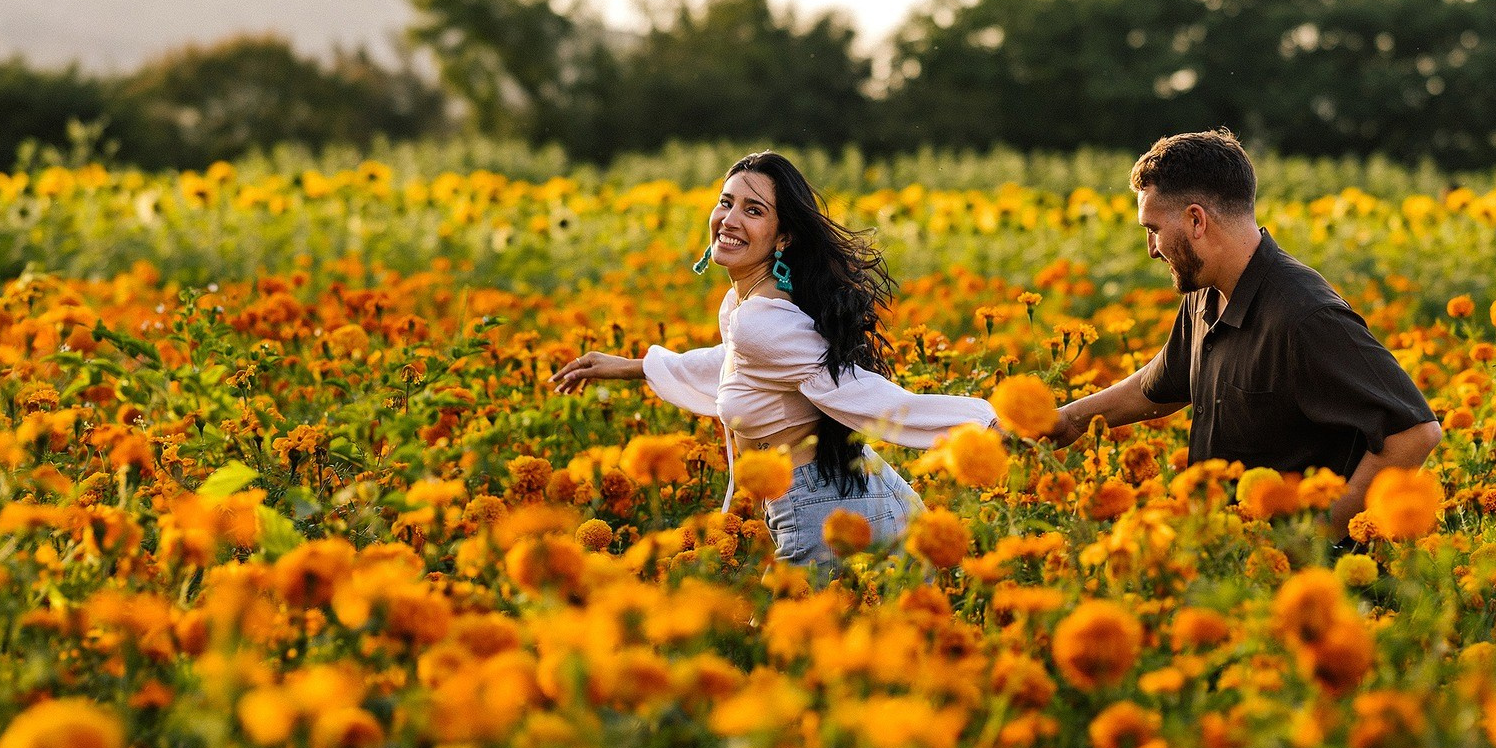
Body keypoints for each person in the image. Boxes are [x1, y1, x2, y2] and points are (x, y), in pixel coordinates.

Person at [550, 152, 996, 566]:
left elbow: (866, 396)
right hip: (842, 496)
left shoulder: (759, 320)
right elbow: (736, 365)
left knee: (787, 646)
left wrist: (996, 427)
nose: (730, 219)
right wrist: (635, 367)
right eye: (726, 203)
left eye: (753, 210)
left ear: (783, 237)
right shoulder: (747, 307)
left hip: (825, 510)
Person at [1049, 129, 1441, 534]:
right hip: (1228, 559)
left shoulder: (1304, 315)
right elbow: (1161, 384)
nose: (1151, 248)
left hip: (1294, 582)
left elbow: (1414, 432)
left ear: (1196, 220)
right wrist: (1068, 421)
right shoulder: (1205, 294)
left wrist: (1317, 537)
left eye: (1153, 228)